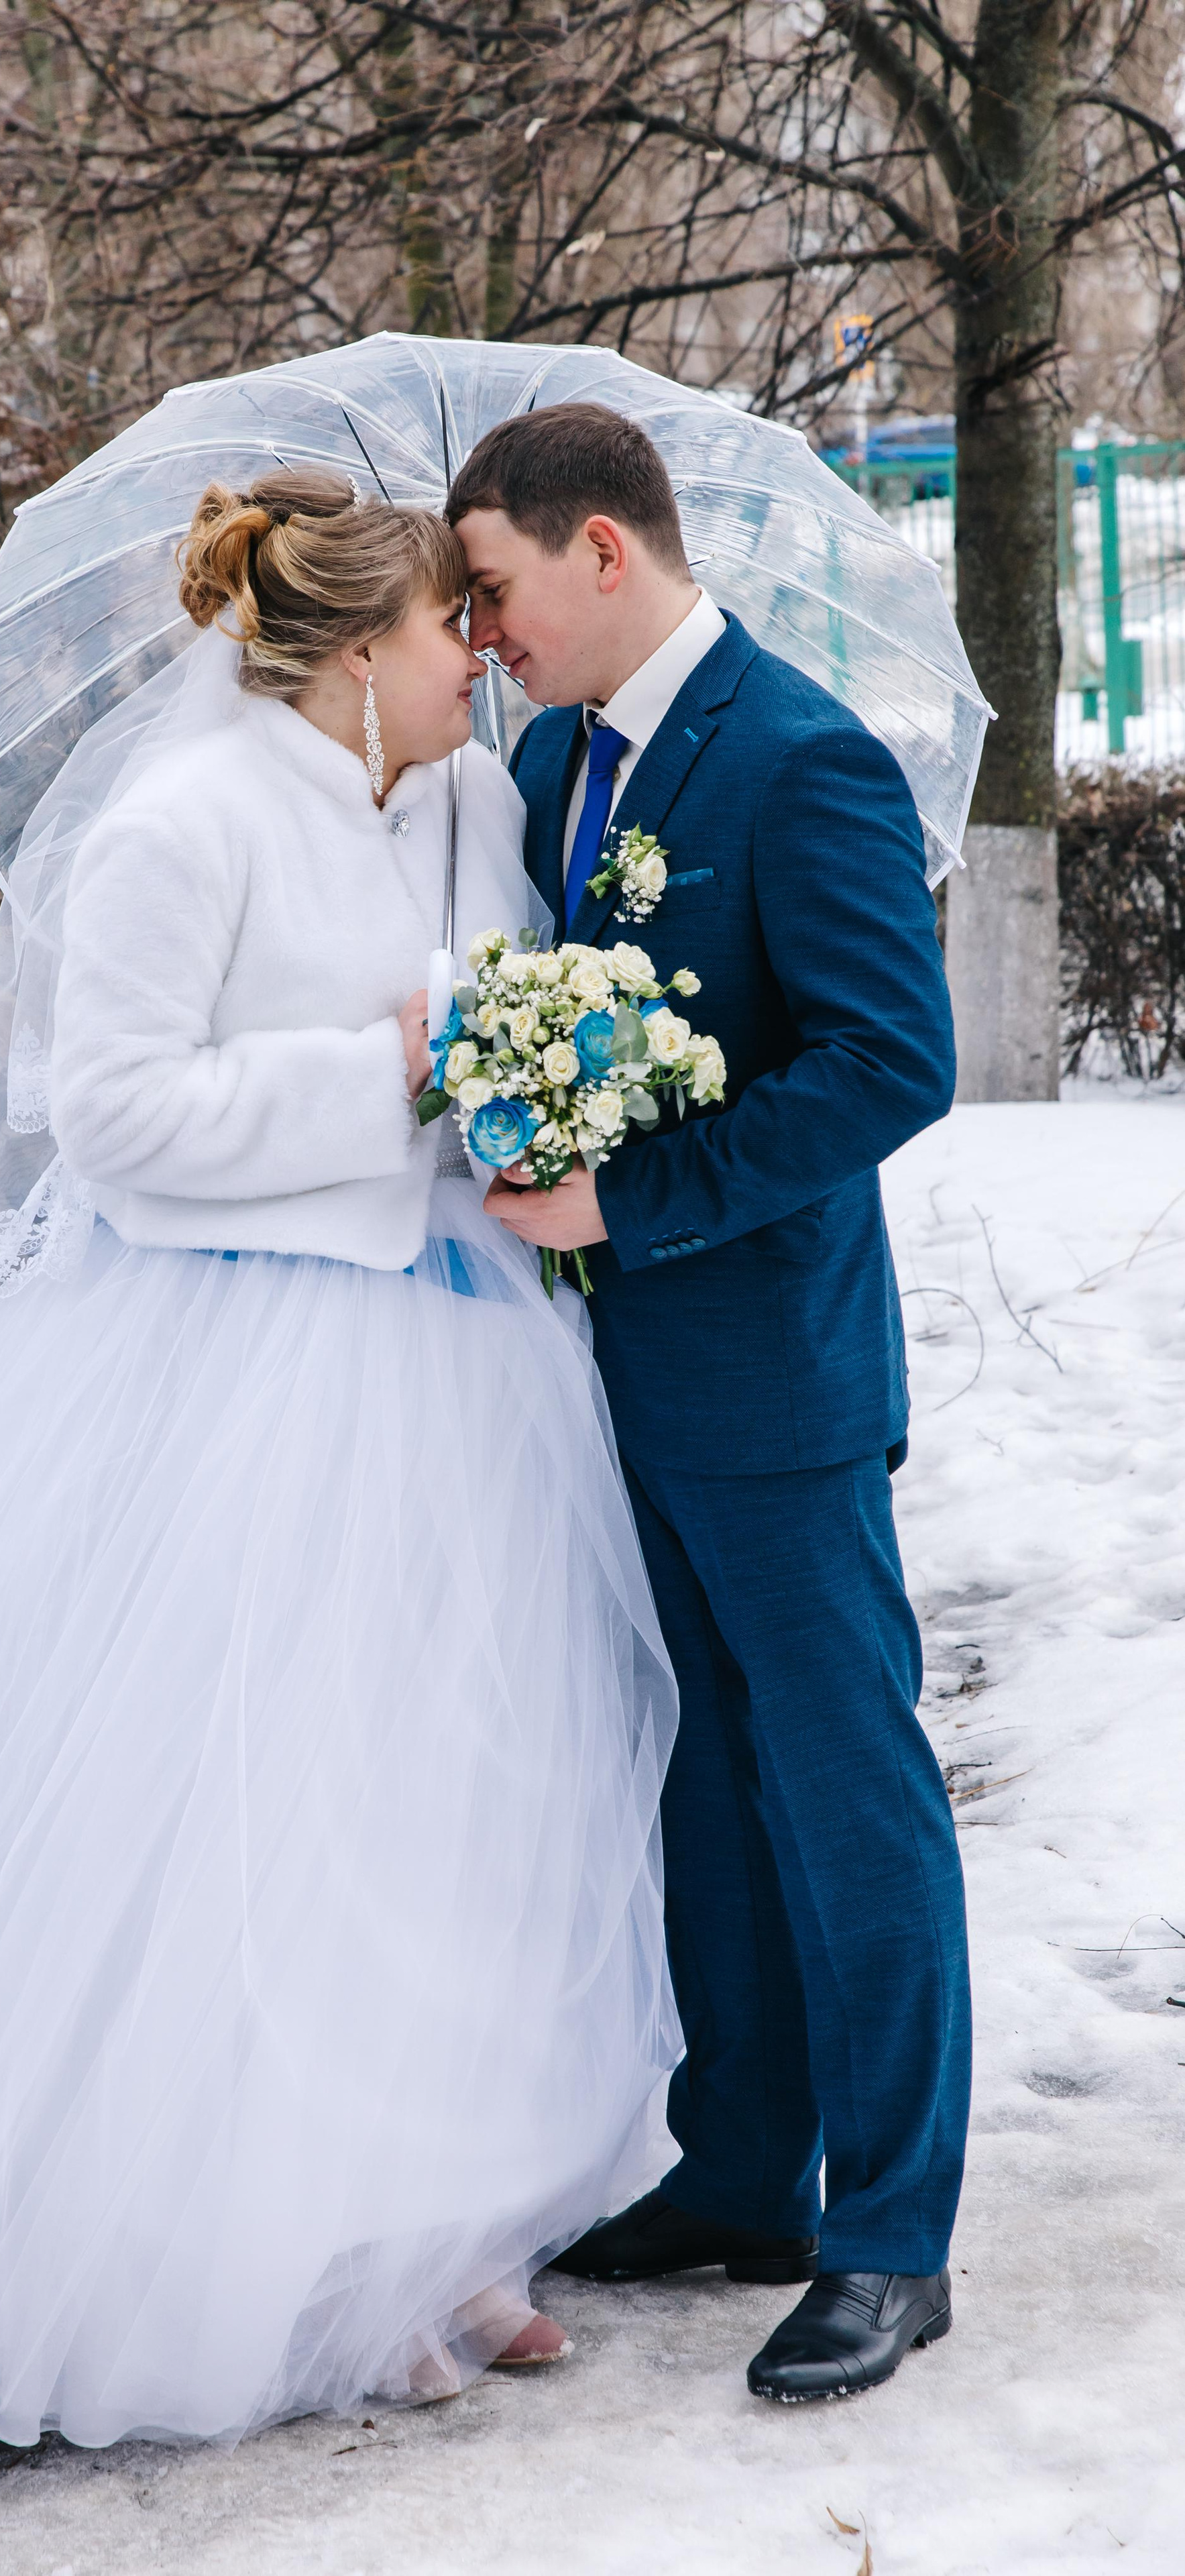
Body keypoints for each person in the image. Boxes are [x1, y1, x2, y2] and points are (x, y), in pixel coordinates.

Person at [0, 468, 679, 2449]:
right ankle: (285, 2250)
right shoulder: (185, 828)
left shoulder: (471, 801)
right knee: (260, 1814)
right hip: (239, 1369)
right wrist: (402, 1071)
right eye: (456, 630)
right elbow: (113, 1122)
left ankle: (442, 2225)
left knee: (444, 1795)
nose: (483, 658)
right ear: (362, 653)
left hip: (458, 1371)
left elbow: (504, 1023)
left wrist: (530, 1081)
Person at [447, 403, 970, 2406]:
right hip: (616, 1375)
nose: (481, 634)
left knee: (845, 1784)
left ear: (602, 552)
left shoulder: (802, 757)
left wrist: (633, 1194)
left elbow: (885, 1065)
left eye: (493, 590)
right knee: (703, 1782)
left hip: (775, 1372)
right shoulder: (560, 760)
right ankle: (743, 2171)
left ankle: (892, 2234)